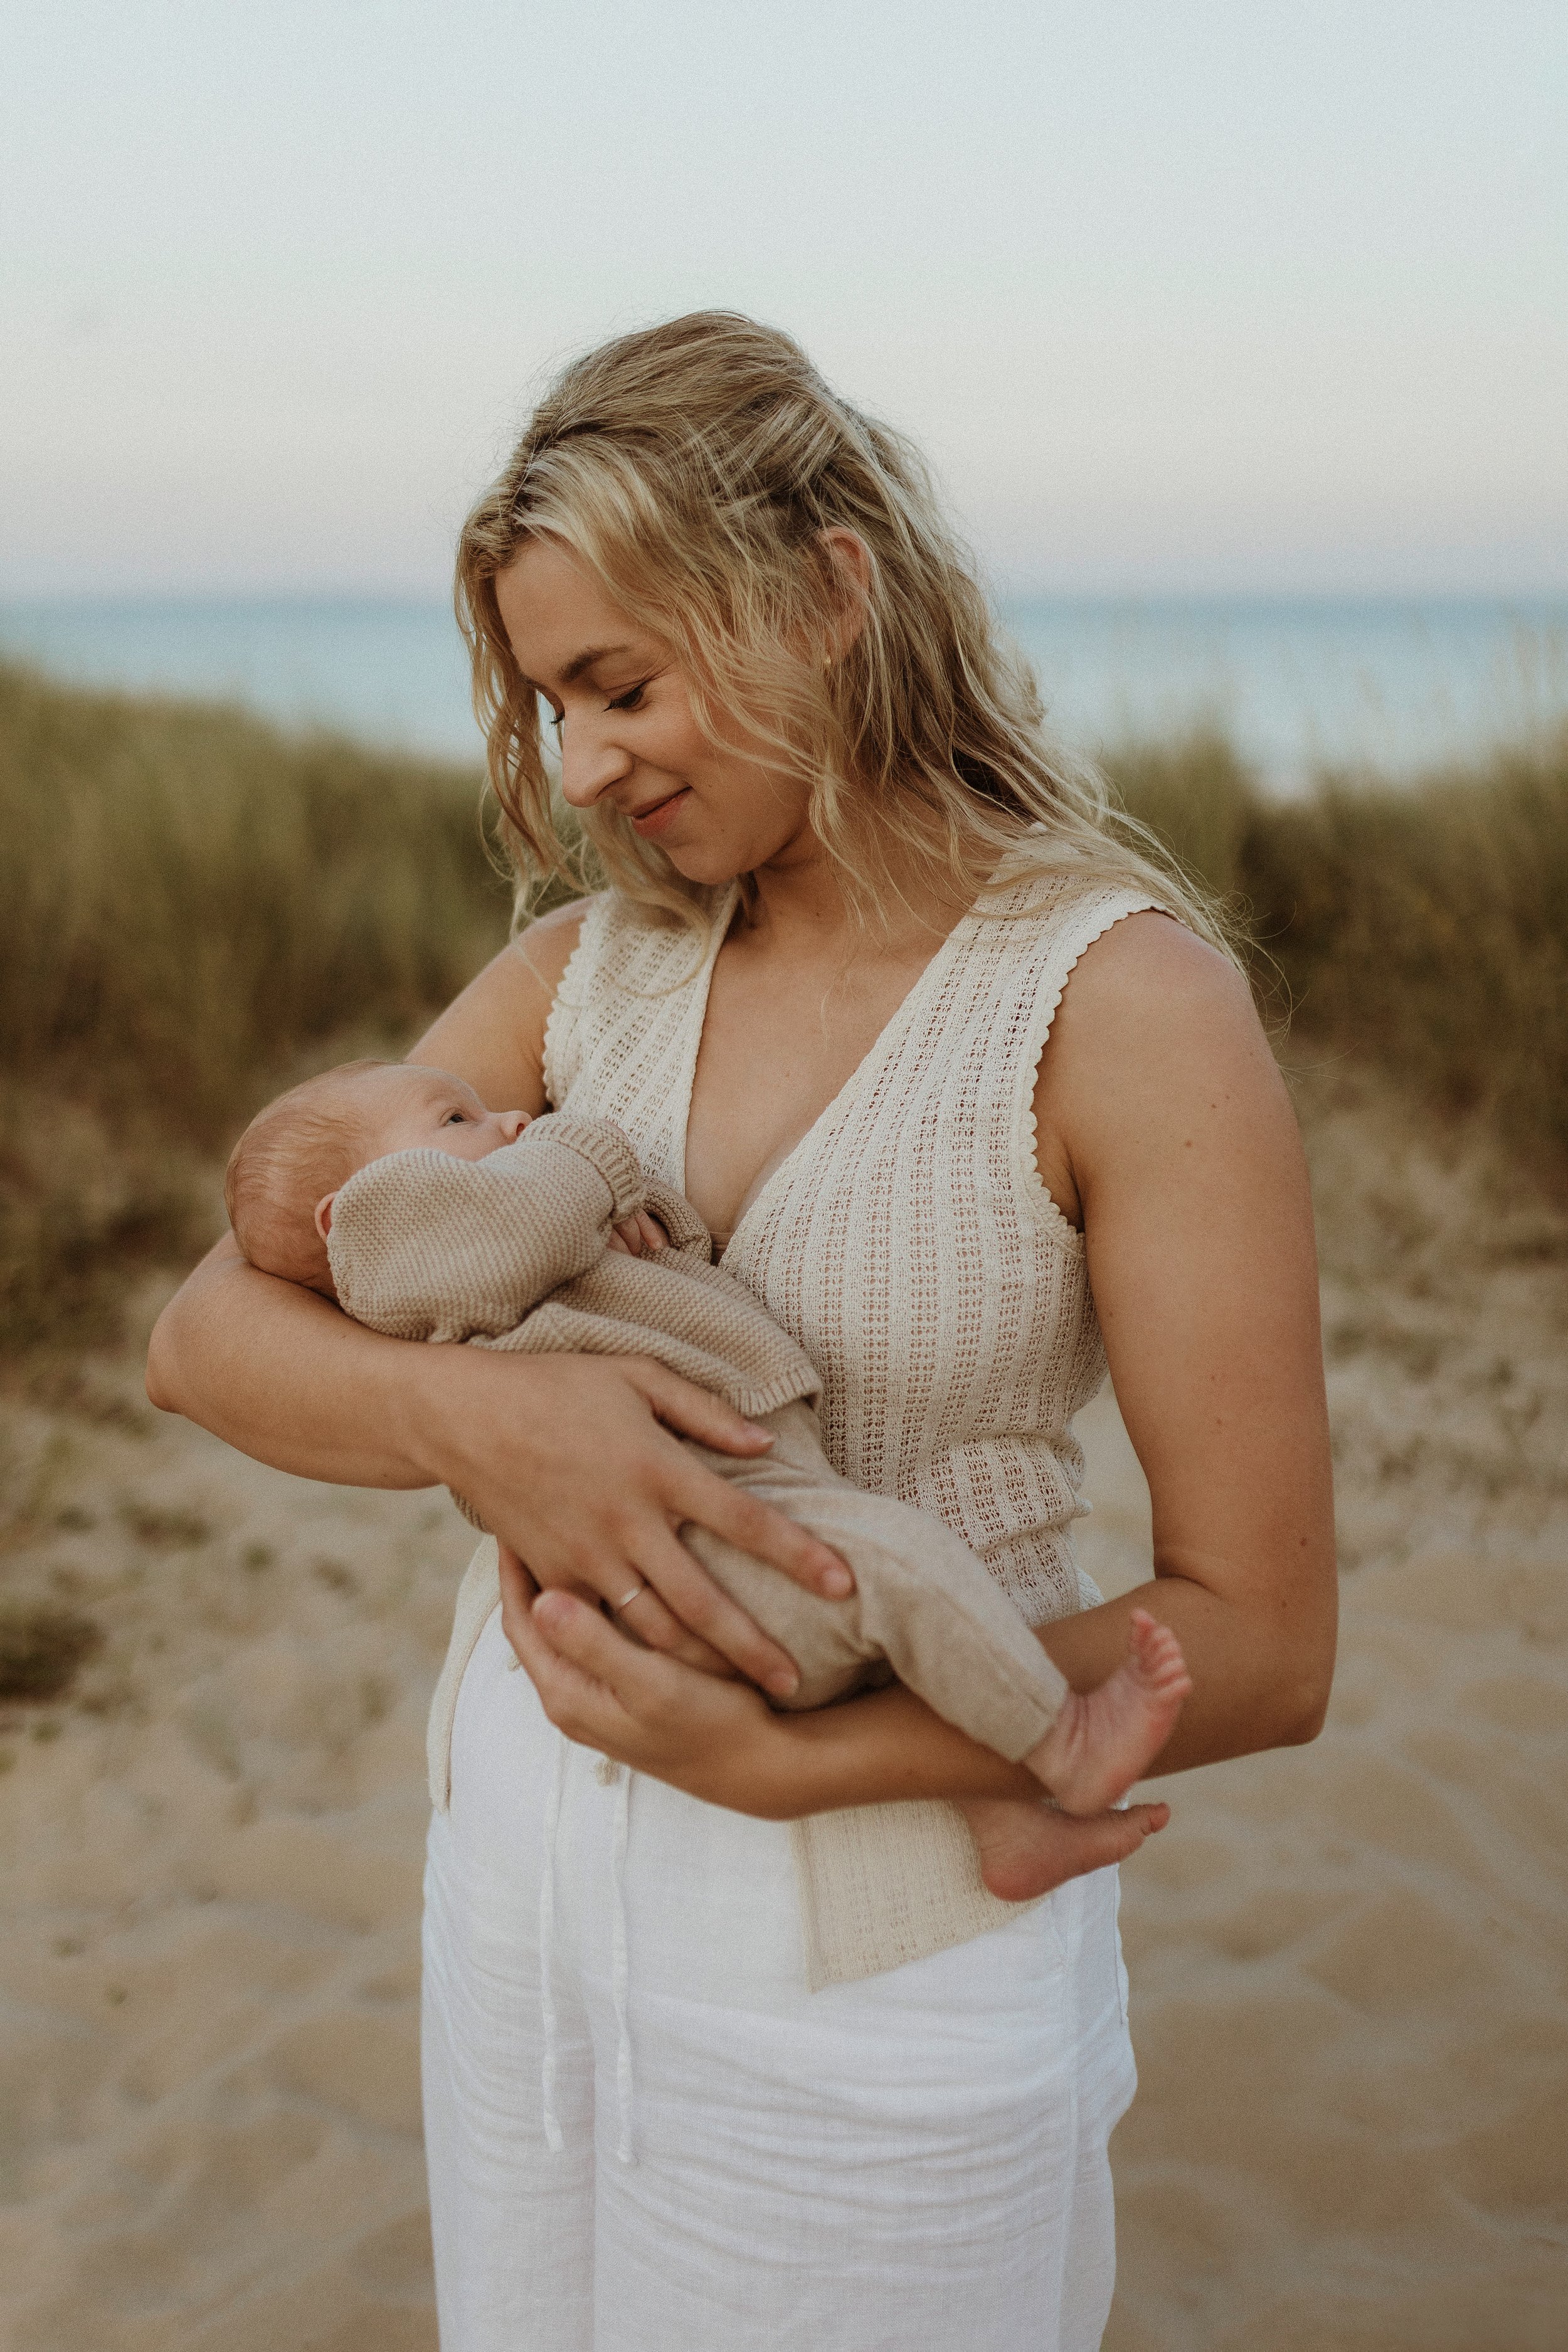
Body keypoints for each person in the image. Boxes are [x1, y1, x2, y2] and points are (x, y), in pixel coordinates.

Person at [147, 311, 1337, 2352]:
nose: (585, 761)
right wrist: (489, 1435)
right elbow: (205, 1337)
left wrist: (792, 1767)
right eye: (550, 699)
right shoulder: (577, 974)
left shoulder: (1121, 1010)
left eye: (624, 681)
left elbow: (1264, 1634)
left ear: (826, 594)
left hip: (882, 1990)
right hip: (515, 1914)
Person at [222, 1054, 1194, 1891]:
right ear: (345, 1216)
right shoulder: (415, 1244)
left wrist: (644, 1215)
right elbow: (520, 1221)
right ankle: (1063, 1740)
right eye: (456, 1118)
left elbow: (671, 1271)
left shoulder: (515, 1243)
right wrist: (593, 1160)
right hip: (701, 1538)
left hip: (744, 1499)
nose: (513, 1118)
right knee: (902, 1565)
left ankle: (1004, 1823)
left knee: (890, 1619)